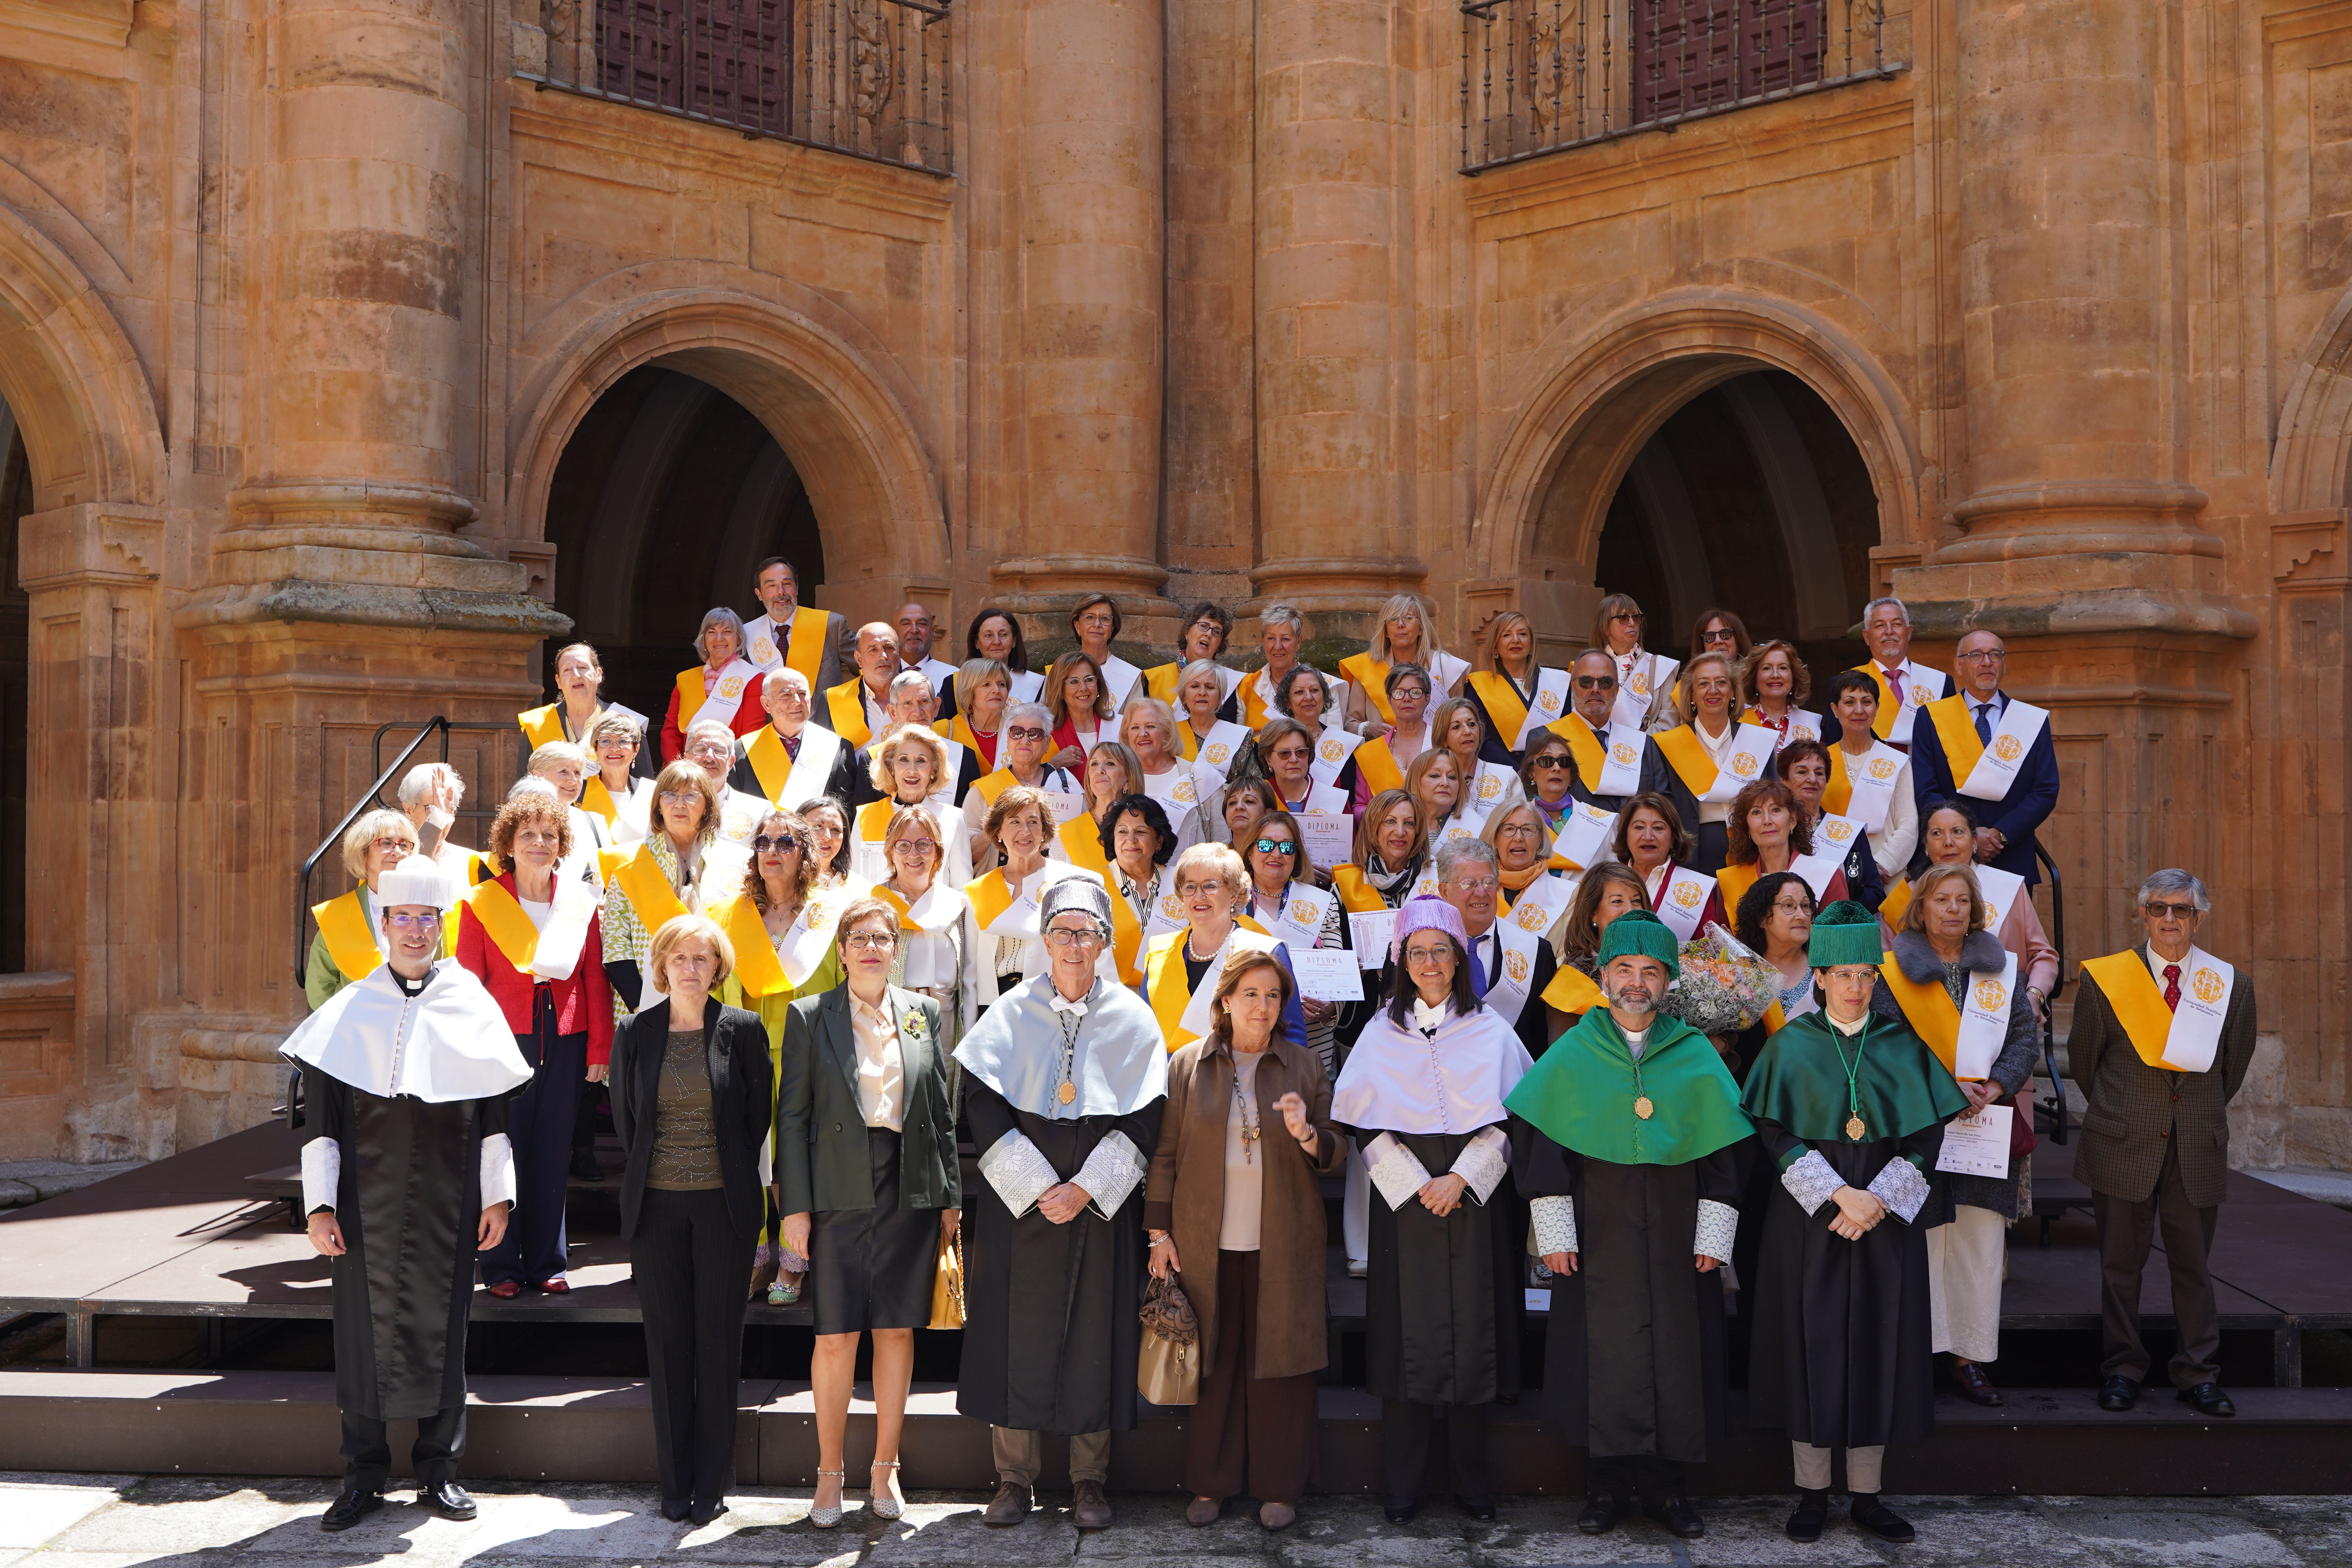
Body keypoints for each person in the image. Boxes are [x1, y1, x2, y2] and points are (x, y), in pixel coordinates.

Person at [282, 862, 526, 1533]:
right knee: (361, 1338)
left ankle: (439, 1472)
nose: (416, 930)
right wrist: (320, 1207)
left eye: (427, 918)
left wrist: (497, 1198)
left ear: (441, 926)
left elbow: (495, 1116)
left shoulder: (471, 1003)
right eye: (403, 918)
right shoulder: (349, 1010)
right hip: (363, 1206)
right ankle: (362, 1476)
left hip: (451, 1198)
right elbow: (322, 1123)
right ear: (383, 925)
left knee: (444, 1331)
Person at [1509, 909, 1750, 1541]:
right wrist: (1555, 1234)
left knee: (1677, 1353)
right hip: (1597, 1231)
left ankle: (1670, 1490)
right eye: (1624, 969)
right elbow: (1542, 1149)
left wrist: (1714, 1234)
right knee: (1603, 1354)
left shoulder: (1695, 1054)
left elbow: (1725, 1155)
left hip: (1678, 1232)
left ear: (1668, 981)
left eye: (1650, 971)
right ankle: (1606, 1487)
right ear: (1604, 977)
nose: (1636, 983)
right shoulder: (1573, 1052)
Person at [1740, 900, 1968, 1546]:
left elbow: (1927, 1136)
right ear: (1819, 977)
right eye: (1843, 975)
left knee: (1879, 1344)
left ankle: (1867, 1495)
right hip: (1808, 1221)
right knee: (1808, 1344)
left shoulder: (1902, 1045)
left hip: (1884, 1224)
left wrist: (1878, 1200)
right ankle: (1812, 1493)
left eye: (1866, 975)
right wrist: (1839, 1195)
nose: (1856, 987)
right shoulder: (1790, 1046)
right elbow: (1772, 1131)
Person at [956, 878, 1168, 1530]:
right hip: (1020, 1207)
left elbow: (1146, 1117)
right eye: (1063, 933)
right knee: (1013, 1336)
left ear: (1104, 942)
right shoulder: (1009, 1011)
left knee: (1094, 1337)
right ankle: (1013, 1479)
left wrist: (1087, 1189)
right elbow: (982, 1104)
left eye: (1087, 933)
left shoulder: (1133, 1016)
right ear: (1045, 940)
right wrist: (1035, 1185)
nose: (1075, 945)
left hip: (1098, 1211)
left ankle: (1088, 1481)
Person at [1332, 897, 1532, 1524]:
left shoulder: (1492, 1031)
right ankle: (1404, 1484)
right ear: (1402, 962)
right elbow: (1364, 1124)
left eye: (1440, 951)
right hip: (1406, 1204)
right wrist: (1419, 1184)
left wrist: (1461, 1179)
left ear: (1460, 959)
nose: (1429, 963)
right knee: (1405, 1339)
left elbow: (1516, 1118)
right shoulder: (1380, 1032)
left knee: (1475, 1335)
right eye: (1416, 952)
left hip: (1473, 1201)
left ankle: (1473, 1484)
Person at [1146, 950, 1343, 1530]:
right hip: (1204, 1244)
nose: (1263, 1006)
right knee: (1215, 1365)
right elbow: (1165, 1154)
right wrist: (1159, 1234)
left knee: (1281, 1366)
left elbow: (1337, 1149)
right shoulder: (1187, 1064)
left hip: (1284, 1243)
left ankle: (1280, 1487)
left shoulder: (1304, 1065)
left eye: (1274, 996)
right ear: (1226, 1000)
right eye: (1252, 994)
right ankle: (1211, 1484)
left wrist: (1307, 1134)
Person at [778, 899, 960, 1525]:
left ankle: (886, 1468)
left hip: (909, 1186)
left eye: (882, 938)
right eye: (859, 939)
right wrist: (795, 1209)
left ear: (896, 949)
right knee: (834, 1337)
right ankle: (830, 1474)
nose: (871, 949)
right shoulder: (810, 1015)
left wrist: (950, 1196)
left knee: (896, 1330)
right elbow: (791, 1117)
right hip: (836, 1187)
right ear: (842, 950)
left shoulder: (922, 1013)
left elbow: (939, 1111)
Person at [2070, 869, 2259, 1420]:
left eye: (2181, 910)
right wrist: (2126, 1112)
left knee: (2193, 1266)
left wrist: (2188, 1114)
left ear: (2199, 918)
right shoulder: (2107, 980)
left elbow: (2231, 1069)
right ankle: (2122, 1369)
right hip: (2121, 1140)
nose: (2169, 919)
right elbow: (2084, 1062)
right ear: (2143, 915)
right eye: (2159, 909)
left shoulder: (2232, 985)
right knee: (2120, 1266)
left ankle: (2198, 1373)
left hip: (2196, 1144)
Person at [608, 913, 771, 1524]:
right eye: (680, 957)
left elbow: (756, 1119)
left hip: (724, 1206)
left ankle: (712, 1481)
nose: (691, 968)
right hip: (655, 1208)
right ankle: (675, 1484)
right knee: (669, 1343)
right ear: (661, 965)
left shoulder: (743, 1030)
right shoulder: (636, 1031)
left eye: (703, 957)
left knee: (718, 1344)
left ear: (719, 967)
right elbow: (626, 1120)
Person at [1872, 863, 2040, 1409]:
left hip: (1983, 1126)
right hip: (1919, 1128)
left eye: (1962, 901)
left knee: (1978, 1244)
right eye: (1941, 899)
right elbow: (1886, 1046)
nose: (1952, 909)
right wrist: (1942, 1090)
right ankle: (1916, 1358)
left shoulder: (2001, 970)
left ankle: (1970, 1359)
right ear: (1920, 909)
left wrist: (1995, 1085)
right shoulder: (1892, 974)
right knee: (1920, 1243)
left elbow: (2024, 1038)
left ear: (1975, 911)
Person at [455, 795, 614, 1296]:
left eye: (550, 835)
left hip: (566, 1036)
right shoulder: (481, 902)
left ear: (562, 844)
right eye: (527, 834)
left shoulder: (579, 901)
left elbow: (594, 978)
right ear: (508, 843)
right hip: (503, 1037)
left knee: (552, 1148)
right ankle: (501, 1265)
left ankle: (548, 1262)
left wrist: (600, 1049)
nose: (539, 843)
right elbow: (467, 984)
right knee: (504, 1146)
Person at [706, 808, 844, 1305]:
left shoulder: (829, 916)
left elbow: (843, 989)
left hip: (809, 1057)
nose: (772, 851)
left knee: (795, 1162)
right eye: (762, 842)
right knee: (747, 1159)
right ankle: (755, 1257)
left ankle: (794, 1262)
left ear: (805, 852)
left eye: (785, 843)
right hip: (744, 1055)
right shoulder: (727, 915)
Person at [1908, 628, 2060, 889]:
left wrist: (2001, 835)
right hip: (1951, 856)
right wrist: (1967, 834)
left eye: (1995, 655)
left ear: (2004, 664)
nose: (1987, 663)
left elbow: (2045, 790)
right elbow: (1925, 788)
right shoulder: (1931, 717)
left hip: (2012, 855)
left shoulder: (2030, 720)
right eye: (1976, 655)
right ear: (1959, 666)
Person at [600, 762, 748, 1016]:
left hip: (719, 1001)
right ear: (658, 805)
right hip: (645, 1005)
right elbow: (616, 945)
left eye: (691, 796)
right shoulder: (629, 862)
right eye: (669, 795)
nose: (679, 804)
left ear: (708, 806)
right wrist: (642, 1008)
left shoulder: (737, 860)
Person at [1884, 802, 2059, 1015]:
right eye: (1937, 833)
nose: (1948, 842)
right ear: (1926, 846)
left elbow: (2042, 955)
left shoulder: (2009, 887)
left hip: (2003, 1012)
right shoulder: (1906, 896)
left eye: (1957, 832)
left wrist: (2034, 995)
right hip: (1928, 1016)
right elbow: (1887, 966)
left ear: (1975, 842)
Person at [1143, 842, 1310, 1052]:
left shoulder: (1267, 952)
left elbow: (1292, 1038)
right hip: (1166, 1072)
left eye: (1210, 886)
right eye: (1190, 887)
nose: (1199, 896)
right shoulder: (1160, 951)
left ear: (1233, 894)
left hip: (1243, 1072)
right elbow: (1143, 1030)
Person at [1240, 811, 1348, 1074]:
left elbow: (1337, 978)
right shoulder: (1232, 903)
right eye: (1266, 845)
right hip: (1246, 1039)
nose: (1277, 853)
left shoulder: (1323, 903)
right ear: (1250, 852)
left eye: (1287, 847)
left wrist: (1331, 1008)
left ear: (1296, 857)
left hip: (1311, 1040)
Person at [972, 786, 1105, 998]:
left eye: (1033, 822)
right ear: (998, 832)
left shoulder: (1075, 882)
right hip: (994, 1003)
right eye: (1015, 822)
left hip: (1056, 1000)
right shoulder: (979, 889)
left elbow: (1098, 953)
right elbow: (970, 968)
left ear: (1044, 832)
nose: (1025, 831)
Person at [872, 805, 984, 1052]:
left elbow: (970, 977)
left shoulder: (958, 906)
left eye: (924, 844)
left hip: (946, 1018)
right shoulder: (876, 905)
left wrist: (970, 1036)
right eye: (903, 846)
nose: (914, 854)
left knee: (944, 1076)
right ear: (891, 853)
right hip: (890, 1017)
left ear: (938, 852)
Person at [1545, 649, 1699, 823]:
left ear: (1617, 690)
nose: (1595, 689)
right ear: (1573, 686)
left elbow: (1664, 806)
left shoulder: (1644, 744)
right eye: (1586, 682)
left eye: (1605, 682)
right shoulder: (1546, 738)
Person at [1437, 838, 1557, 1060]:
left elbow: (1539, 1040)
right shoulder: (1414, 951)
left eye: (1489, 882)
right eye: (1469, 884)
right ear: (1444, 891)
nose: (1481, 893)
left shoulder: (1537, 952)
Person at [1650, 651, 1763, 873]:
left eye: (1721, 682)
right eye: (1703, 684)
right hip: (1693, 857)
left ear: (1733, 691)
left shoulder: (1757, 741)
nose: (1713, 690)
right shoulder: (1666, 745)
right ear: (1692, 695)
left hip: (1754, 852)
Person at [306, 810, 424, 1009]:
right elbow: (320, 989)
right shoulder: (336, 914)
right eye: (386, 843)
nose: (398, 852)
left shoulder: (429, 911)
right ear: (363, 852)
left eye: (404, 845)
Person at [1821, 669, 1918, 879]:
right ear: (1835, 709)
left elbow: (1908, 826)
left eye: (1866, 702)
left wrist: (1881, 865)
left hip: (1887, 877)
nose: (1859, 710)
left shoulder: (1897, 761)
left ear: (1877, 708)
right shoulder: (1820, 762)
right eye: (1849, 702)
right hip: (1834, 876)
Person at [961, 701, 1080, 871]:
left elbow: (1083, 841)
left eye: (1035, 734)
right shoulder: (983, 790)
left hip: (1053, 879)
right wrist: (995, 828)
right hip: (1000, 882)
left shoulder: (1066, 785)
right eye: (1017, 733)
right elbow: (964, 856)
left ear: (1048, 743)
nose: (1025, 741)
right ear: (1008, 741)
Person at [854, 725, 974, 887]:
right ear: (891, 767)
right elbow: (854, 883)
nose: (912, 770)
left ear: (934, 770)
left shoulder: (954, 818)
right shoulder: (866, 815)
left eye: (921, 761)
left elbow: (962, 888)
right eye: (904, 760)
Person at [1715, 777, 1847, 922]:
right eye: (1756, 812)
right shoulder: (1729, 881)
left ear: (1793, 821)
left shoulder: (1828, 875)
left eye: (1776, 810)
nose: (1767, 821)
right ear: (1747, 827)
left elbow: (1841, 934)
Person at [727, 667, 859, 811]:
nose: (797, 701)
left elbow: (845, 812)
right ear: (766, 704)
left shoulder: (838, 748)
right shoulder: (741, 751)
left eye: (802, 694)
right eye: (786, 695)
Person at [1777, 739, 1885, 912]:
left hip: (1835, 924)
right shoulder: (1773, 829)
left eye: (1819, 773)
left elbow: (1875, 896)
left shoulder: (1849, 833)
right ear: (1784, 779)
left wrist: (1849, 889)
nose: (1812, 779)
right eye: (1802, 772)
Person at [521, 642, 655, 780]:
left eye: (582, 667)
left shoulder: (628, 722)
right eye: (567, 670)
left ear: (599, 674)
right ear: (558, 681)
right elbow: (524, 783)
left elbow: (644, 783)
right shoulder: (536, 723)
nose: (576, 675)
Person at [1539, 861, 1646, 1032]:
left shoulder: (1663, 963)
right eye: (1617, 901)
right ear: (1593, 913)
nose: (1630, 911)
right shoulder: (1571, 977)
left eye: (1636, 901)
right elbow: (1563, 1045)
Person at [1342, 593, 1467, 735]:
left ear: (1421, 628)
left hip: (1435, 748)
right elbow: (1350, 724)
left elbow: (1462, 722)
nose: (1400, 625)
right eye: (1393, 619)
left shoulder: (1448, 667)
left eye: (1408, 618)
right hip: (1382, 747)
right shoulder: (1365, 667)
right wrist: (1368, 729)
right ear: (1386, 631)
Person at [661, 608, 766, 763]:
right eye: (712, 632)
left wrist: (731, 770)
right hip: (688, 768)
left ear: (739, 639)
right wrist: (678, 770)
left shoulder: (753, 678)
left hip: (729, 767)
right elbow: (671, 732)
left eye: (727, 632)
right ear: (704, 640)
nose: (719, 638)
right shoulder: (685, 679)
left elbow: (751, 735)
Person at [1617, 791, 1724, 940]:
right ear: (1625, 835)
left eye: (1658, 828)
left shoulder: (1698, 888)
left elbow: (1705, 948)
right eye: (1639, 827)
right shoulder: (1607, 880)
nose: (1648, 836)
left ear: (1674, 837)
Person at [1465, 608, 1566, 760]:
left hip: (1553, 767)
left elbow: (1569, 733)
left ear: (1531, 645)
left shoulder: (1559, 682)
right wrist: (1517, 770)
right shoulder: (1478, 686)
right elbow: (1481, 740)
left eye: (1523, 634)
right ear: (1495, 647)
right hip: (1504, 770)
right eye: (1506, 635)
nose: (1516, 640)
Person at [1849, 596, 1947, 750]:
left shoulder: (1940, 682)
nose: (1889, 632)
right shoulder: (1845, 684)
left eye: (1897, 624)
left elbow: (1949, 741)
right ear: (1867, 637)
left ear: (1909, 632)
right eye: (1880, 626)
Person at [742, 556, 852, 690]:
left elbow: (865, 668)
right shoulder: (746, 635)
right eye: (772, 585)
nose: (781, 592)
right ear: (759, 594)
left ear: (797, 588)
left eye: (787, 584)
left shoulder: (831, 625)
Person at [1485, 800, 1575, 952]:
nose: (1518, 838)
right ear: (1495, 839)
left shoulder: (1570, 895)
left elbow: (1569, 955)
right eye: (1509, 829)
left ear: (1539, 839)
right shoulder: (1477, 890)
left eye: (1527, 830)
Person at [1119, 697, 1211, 844]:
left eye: (1150, 726)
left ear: (1168, 732)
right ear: (1127, 736)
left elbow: (1220, 836)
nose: (1142, 734)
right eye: (1135, 728)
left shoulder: (1197, 774)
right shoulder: (1119, 778)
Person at [1429, 694, 1523, 828]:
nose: (1468, 731)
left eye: (1472, 724)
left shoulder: (1507, 777)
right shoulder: (1428, 779)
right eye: (1457, 727)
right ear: (1443, 739)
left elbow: (1522, 825)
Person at [1346, 663, 1434, 803]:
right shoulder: (1370, 752)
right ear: (1389, 700)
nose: (1407, 698)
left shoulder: (1442, 742)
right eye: (1399, 693)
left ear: (1427, 699)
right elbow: (1360, 806)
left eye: (1415, 692)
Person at [1593, 593, 1679, 732]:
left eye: (1636, 617)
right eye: (1623, 618)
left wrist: (1637, 741)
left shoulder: (1661, 667)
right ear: (1606, 627)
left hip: (1646, 743)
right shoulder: (1589, 667)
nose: (1632, 623)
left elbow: (1670, 722)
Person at [399, 761, 490, 887]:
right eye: (432, 809)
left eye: (449, 808)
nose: (444, 816)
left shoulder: (474, 862)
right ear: (409, 810)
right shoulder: (392, 858)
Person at [679, 718, 768, 845]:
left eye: (719, 751)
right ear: (686, 758)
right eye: (701, 749)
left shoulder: (759, 812)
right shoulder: (664, 804)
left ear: (731, 762)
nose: (709, 757)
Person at [1143, 601, 1243, 712]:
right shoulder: (1153, 678)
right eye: (1204, 626)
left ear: (1219, 646)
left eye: (1217, 632)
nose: (1209, 634)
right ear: (1187, 633)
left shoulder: (1230, 683)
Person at [818, 621, 902, 752]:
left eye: (889, 648)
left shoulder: (922, 695)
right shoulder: (832, 700)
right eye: (873, 650)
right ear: (858, 659)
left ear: (899, 653)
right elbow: (819, 753)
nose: (883, 656)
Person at [1172, 659, 1251, 792]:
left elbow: (1253, 785)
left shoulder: (1240, 737)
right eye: (1195, 686)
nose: (1202, 693)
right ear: (1184, 696)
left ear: (1220, 698)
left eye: (1210, 687)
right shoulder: (1170, 735)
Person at [1257, 716, 1350, 822]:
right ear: (1268, 759)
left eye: (1301, 752)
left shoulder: (1336, 800)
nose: (1294, 760)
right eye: (1285, 753)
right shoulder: (1256, 799)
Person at [584, 714, 657, 847]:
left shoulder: (653, 793)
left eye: (623, 741)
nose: (614, 748)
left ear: (636, 750)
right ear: (596, 749)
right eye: (606, 741)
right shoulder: (578, 794)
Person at [1068, 592, 1145, 715]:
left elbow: (1137, 721)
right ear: (1078, 626)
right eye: (1090, 617)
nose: (1097, 625)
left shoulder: (1131, 676)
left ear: (1112, 629)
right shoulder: (1061, 671)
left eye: (1105, 618)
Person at [1737, 640, 1819, 752]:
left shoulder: (1810, 723)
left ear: (1794, 678)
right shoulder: (1738, 723)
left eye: (1783, 668)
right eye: (1767, 668)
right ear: (1754, 679)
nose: (1775, 675)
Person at [1239, 602, 1310, 729]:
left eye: (1285, 639)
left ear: (1299, 642)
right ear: (1263, 641)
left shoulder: (1323, 686)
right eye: (1271, 638)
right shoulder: (1247, 686)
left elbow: (1334, 737)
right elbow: (1239, 736)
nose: (1278, 647)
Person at [1040, 650, 1114, 768]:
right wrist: (1053, 765)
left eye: (1089, 680)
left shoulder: (1119, 726)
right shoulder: (1046, 732)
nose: (1083, 688)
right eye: (1074, 682)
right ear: (1060, 691)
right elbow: (1031, 776)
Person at [966, 608, 1045, 706]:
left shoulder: (1037, 684)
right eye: (989, 635)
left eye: (1003, 635)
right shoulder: (958, 682)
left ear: (1014, 641)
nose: (996, 642)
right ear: (977, 642)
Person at [948, 658, 1014, 770]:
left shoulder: (1019, 733)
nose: (997, 690)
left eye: (1002, 684)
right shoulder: (945, 731)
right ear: (969, 692)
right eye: (986, 684)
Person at [1519, 730, 1580, 839]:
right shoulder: (1518, 822)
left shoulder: (1596, 822)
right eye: (1546, 761)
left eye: (1564, 761)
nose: (1557, 768)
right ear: (1531, 774)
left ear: (1571, 776)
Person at [893, 600, 958, 701]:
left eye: (922, 624)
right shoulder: (883, 675)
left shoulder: (954, 677)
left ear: (932, 631)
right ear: (894, 631)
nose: (914, 630)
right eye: (906, 624)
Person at [1220, 776, 1282, 851]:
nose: (1239, 807)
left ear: (1269, 813)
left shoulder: (1278, 854)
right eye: (1232, 803)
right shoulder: (1216, 857)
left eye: (1249, 801)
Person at [1687, 607, 1751, 668]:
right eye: (1710, 637)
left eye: (1725, 634)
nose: (1718, 641)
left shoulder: (1753, 673)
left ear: (1738, 639)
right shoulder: (1691, 676)